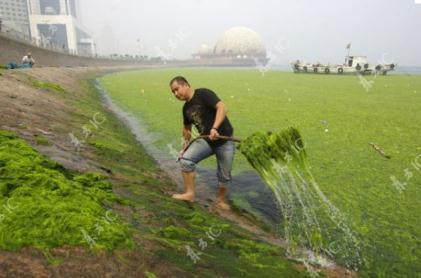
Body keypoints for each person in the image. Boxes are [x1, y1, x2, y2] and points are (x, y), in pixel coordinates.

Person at [169, 76, 235, 210]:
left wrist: (215, 128)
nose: (176, 94)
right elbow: (187, 129)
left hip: (225, 140)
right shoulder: (185, 108)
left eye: (177, 89)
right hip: (206, 140)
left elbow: (222, 107)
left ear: (186, 85)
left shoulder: (203, 94)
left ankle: (221, 201)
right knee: (186, 160)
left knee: (224, 175)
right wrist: (185, 146)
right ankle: (189, 194)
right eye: (173, 92)